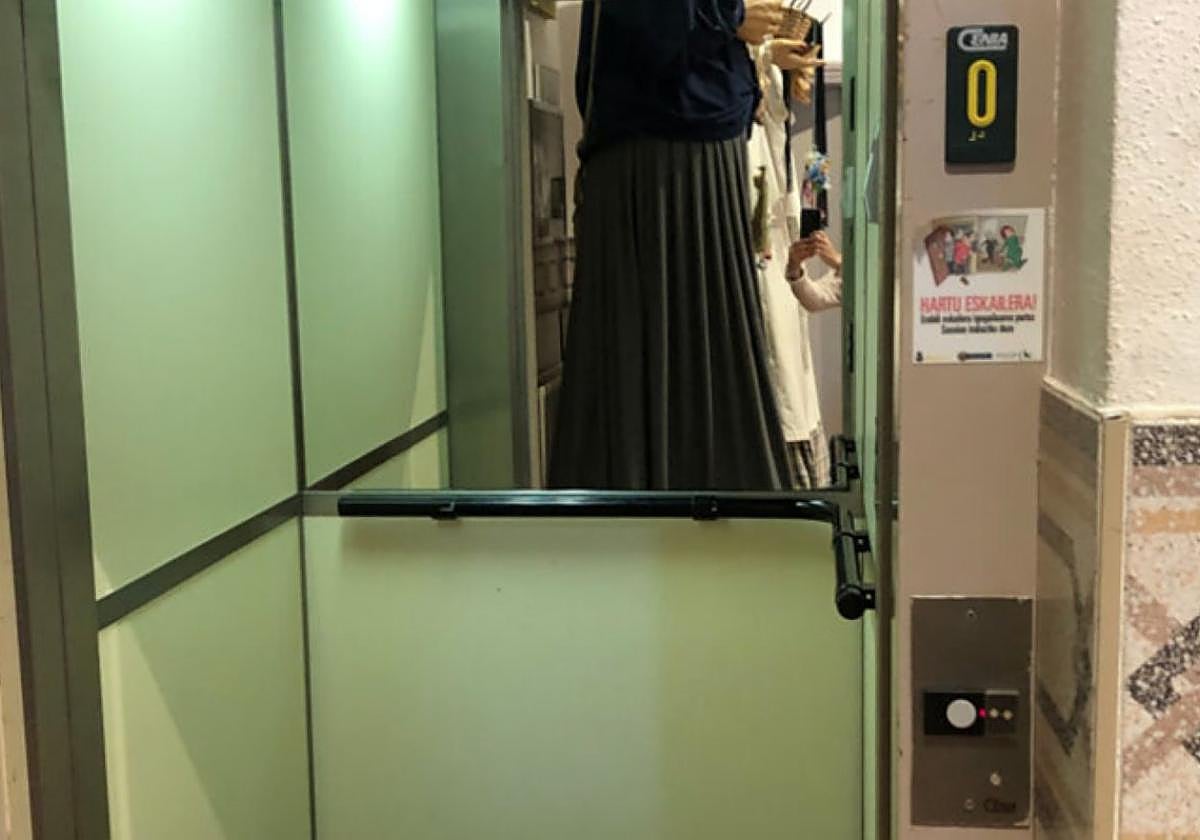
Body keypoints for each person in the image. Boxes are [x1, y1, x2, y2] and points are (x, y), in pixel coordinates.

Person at [550, 0, 803, 491]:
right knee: (691, 347)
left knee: (690, 349)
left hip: (682, 148)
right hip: (667, 152)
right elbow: (651, 23)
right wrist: (731, 18)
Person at [747, 37, 838, 488]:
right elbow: (816, 297)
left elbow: (843, 293)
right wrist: (795, 270)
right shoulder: (753, 138)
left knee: (790, 384)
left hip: (774, 269)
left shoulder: (769, 134)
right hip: (769, 269)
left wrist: (835, 261)